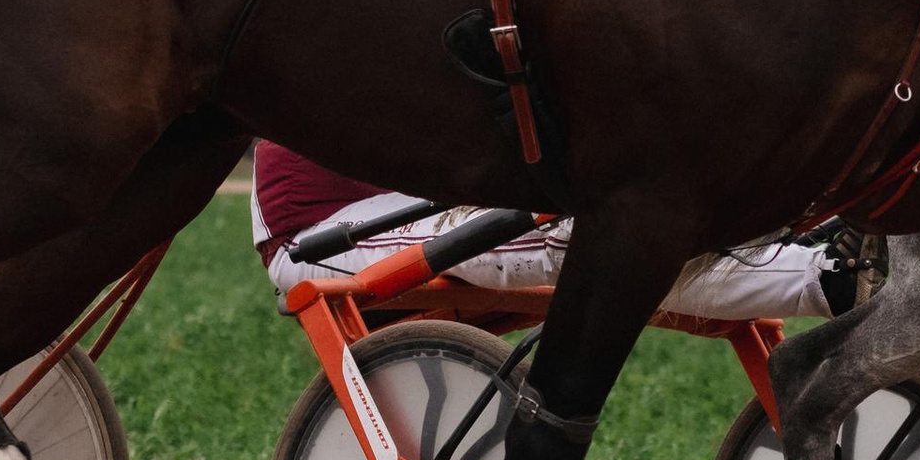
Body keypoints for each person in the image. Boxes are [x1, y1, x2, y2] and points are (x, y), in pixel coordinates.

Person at [250, 138, 876, 322]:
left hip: (406, 194)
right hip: (317, 233)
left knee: (624, 230)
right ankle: (823, 281)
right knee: (595, 239)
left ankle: (809, 259)